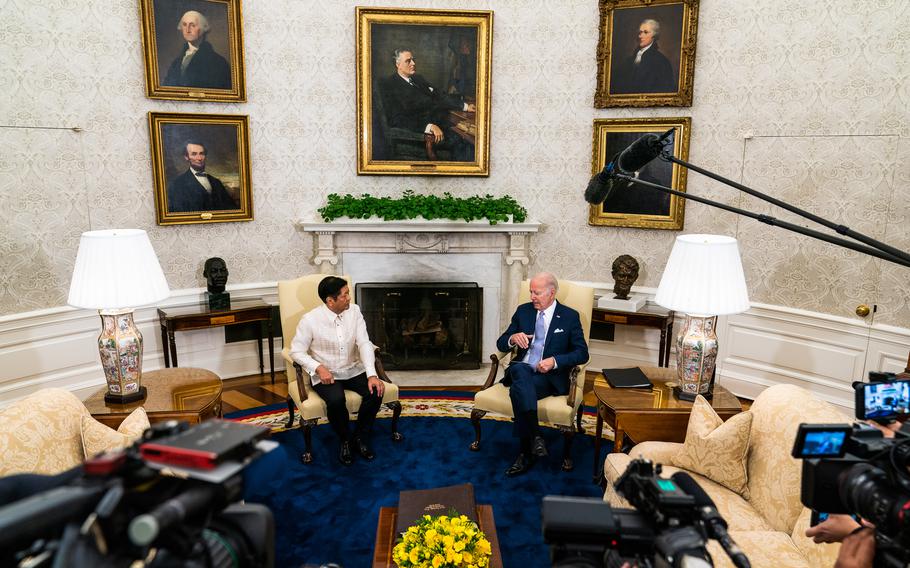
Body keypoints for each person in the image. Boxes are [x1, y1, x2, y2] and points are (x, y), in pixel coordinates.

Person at [496, 272, 589, 476]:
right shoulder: (523, 311)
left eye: (537, 293)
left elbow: (582, 352)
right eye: (530, 292)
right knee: (520, 368)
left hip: (548, 378)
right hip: (522, 368)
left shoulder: (569, 316)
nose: (532, 297)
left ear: (551, 293)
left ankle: (525, 453)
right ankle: (536, 436)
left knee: (518, 391)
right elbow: (501, 342)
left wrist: (555, 362)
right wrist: (513, 337)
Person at [289, 276, 385, 466]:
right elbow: (296, 351)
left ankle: (359, 437)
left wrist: (372, 374)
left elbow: (364, 343)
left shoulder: (355, 311)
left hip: (352, 368)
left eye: (348, 293)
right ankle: (344, 441)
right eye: (345, 295)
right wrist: (318, 367)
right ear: (330, 301)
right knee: (336, 400)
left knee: (375, 392)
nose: (349, 298)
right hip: (326, 373)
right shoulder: (310, 320)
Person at [379, 48, 476, 161]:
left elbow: (439, 96)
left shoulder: (418, 79)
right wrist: (428, 127)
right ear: (398, 64)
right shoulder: (390, 85)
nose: (413, 63)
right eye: (408, 61)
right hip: (421, 135)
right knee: (466, 143)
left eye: (413, 60)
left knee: (468, 138)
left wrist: (464, 106)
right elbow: (397, 119)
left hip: (441, 125)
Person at [162, 10, 231, 89]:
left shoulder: (218, 62)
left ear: (203, 28)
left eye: (192, 25)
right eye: (184, 25)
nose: (187, 30)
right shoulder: (176, 63)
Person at [167, 140, 238, 213]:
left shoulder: (216, 182)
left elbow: (232, 209)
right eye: (194, 154)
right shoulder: (177, 184)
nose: (199, 158)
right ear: (186, 157)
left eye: (202, 153)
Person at [612, 19, 676, 94]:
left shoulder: (661, 61)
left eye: (645, 32)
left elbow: (666, 89)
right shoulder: (629, 60)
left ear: (654, 36)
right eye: (640, 32)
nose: (640, 36)